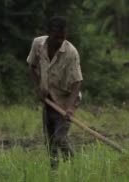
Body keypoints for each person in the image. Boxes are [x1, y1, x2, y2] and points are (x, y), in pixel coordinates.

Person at [26, 16, 83, 168]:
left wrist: (70, 108)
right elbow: (31, 66)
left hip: (66, 99)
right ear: (48, 33)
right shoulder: (38, 44)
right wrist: (38, 88)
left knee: (60, 139)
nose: (60, 41)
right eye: (57, 37)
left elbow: (77, 82)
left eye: (62, 37)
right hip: (48, 99)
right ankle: (54, 171)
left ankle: (74, 167)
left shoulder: (71, 53)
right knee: (50, 141)